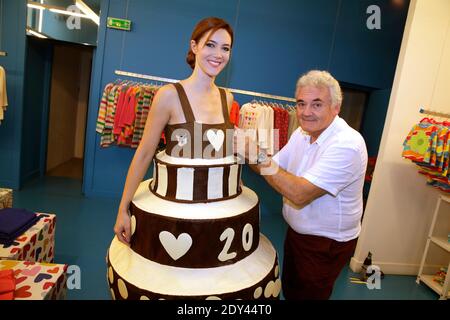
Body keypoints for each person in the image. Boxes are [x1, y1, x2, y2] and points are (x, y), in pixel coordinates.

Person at [236, 70, 368, 300]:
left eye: (317, 104)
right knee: (292, 288)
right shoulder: (302, 132)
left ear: (336, 107)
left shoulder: (348, 144)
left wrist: (255, 153)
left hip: (326, 243)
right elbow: (273, 167)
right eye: (301, 103)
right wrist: (246, 152)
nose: (306, 112)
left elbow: (299, 193)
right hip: (298, 233)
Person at [114, 17, 234, 245]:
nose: (218, 54)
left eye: (225, 48)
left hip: (215, 212)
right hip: (175, 217)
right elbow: (144, 153)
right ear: (194, 46)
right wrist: (123, 209)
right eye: (210, 44)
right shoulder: (168, 96)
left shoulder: (227, 99)